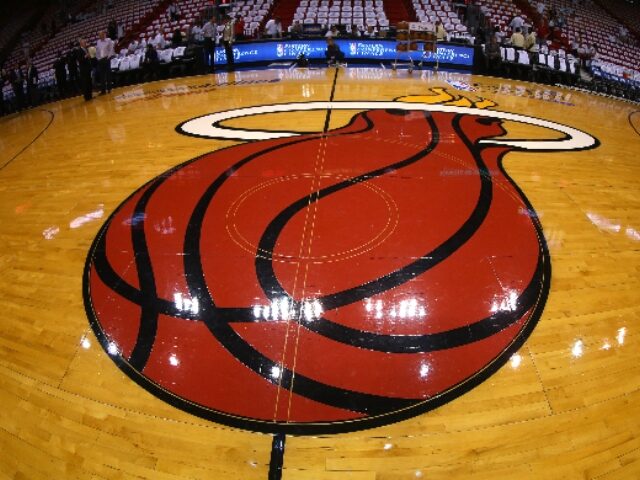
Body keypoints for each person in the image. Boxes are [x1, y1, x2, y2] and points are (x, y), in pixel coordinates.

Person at [96, 31, 114, 95]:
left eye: (101, 35)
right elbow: (97, 51)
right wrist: (98, 58)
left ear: (104, 35)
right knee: (102, 76)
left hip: (106, 58)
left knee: (108, 75)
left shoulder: (108, 40)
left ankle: (109, 89)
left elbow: (111, 49)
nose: (100, 36)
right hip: (100, 60)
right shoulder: (98, 42)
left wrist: (108, 57)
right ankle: (103, 90)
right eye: (99, 35)